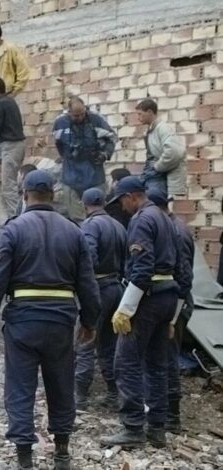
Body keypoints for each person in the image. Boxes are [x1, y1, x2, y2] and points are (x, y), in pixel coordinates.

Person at [0, 169, 100, 470]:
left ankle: (25, 458)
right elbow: (87, 283)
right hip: (61, 321)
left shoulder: (12, 230)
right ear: (53, 195)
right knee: (61, 384)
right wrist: (90, 321)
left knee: (20, 386)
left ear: (24, 194)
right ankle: (62, 453)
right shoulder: (74, 231)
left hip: (23, 320)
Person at [100, 176, 188, 449]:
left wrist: (125, 309)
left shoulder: (141, 220)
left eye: (122, 201)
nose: (122, 207)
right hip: (167, 298)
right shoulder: (168, 220)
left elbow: (142, 269)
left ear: (131, 196)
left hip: (147, 300)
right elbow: (183, 273)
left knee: (126, 362)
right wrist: (174, 315)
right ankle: (157, 428)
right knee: (157, 364)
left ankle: (133, 427)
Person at [74, 188, 127, 411]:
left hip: (97, 289)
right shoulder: (118, 226)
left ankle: (79, 397)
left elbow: (89, 260)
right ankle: (114, 394)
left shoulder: (89, 225)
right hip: (117, 287)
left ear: (84, 204)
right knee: (109, 345)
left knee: (85, 340)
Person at [147, 188, 194, 433]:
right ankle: (164, 413)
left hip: (175, 302)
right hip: (174, 301)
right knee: (162, 357)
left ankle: (172, 417)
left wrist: (174, 317)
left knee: (167, 357)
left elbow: (184, 278)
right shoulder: (172, 227)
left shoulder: (174, 231)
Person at [53, 96, 117, 221]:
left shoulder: (96, 120)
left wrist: (105, 154)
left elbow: (112, 138)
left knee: (97, 216)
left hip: (94, 174)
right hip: (71, 175)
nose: (80, 117)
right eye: (76, 116)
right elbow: (58, 143)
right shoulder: (60, 123)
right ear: (69, 112)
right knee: (76, 218)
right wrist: (64, 156)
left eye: (82, 114)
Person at [0, 77, 26, 218]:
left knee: (8, 186)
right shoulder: (10, 101)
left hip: (11, 147)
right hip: (18, 145)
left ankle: (16, 219)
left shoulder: (0, 104)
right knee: (13, 182)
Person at [0, 22, 30, 127]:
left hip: (4, 95)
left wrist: (14, 92)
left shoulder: (10, 49)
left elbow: (23, 71)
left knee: (4, 125)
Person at [135, 99, 187, 197]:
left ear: (149, 112)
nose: (138, 118)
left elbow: (174, 153)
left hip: (161, 177)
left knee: (154, 201)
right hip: (156, 175)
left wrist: (157, 166)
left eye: (140, 114)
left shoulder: (163, 128)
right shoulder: (152, 130)